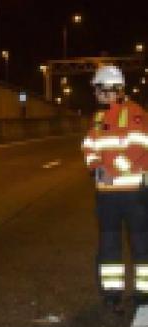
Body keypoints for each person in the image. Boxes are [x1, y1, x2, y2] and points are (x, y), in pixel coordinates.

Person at [81, 65, 148, 308]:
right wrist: (96, 165)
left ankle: (144, 292)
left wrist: (114, 169)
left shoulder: (135, 113)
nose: (96, 94)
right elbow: (89, 145)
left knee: (141, 243)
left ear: (110, 89)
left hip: (134, 194)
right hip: (107, 195)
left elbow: (139, 147)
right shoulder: (99, 117)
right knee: (109, 245)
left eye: (98, 89)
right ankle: (112, 292)